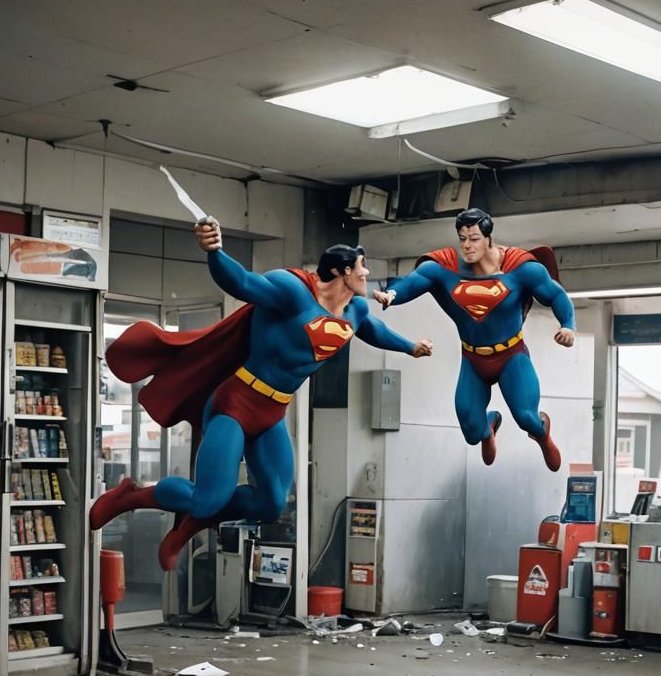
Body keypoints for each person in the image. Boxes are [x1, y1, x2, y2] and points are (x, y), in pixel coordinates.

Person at [90, 218, 432, 569]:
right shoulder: (293, 292)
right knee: (208, 497)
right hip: (235, 405)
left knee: (271, 504)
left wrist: (409, 347)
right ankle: (129, 498)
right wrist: (214, 251)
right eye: (362, 267)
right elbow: (241, 283)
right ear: (344, 271)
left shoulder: (356, 309)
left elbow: (371, 329)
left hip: (272, 412)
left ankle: (194, 523)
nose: (367, 273)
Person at [374, 208, 574, 470]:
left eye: (474, 238)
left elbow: (556, 295)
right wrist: (392, 294)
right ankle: (489, 427)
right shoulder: (444, 267)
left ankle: (543, 431)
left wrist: (568, 325)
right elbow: (414, 280)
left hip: (511, 356)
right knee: (471, 432)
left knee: (526, 418)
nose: (467, 246)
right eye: (463, 238)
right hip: (472, 358)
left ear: (489, 238)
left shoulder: (520, 268)